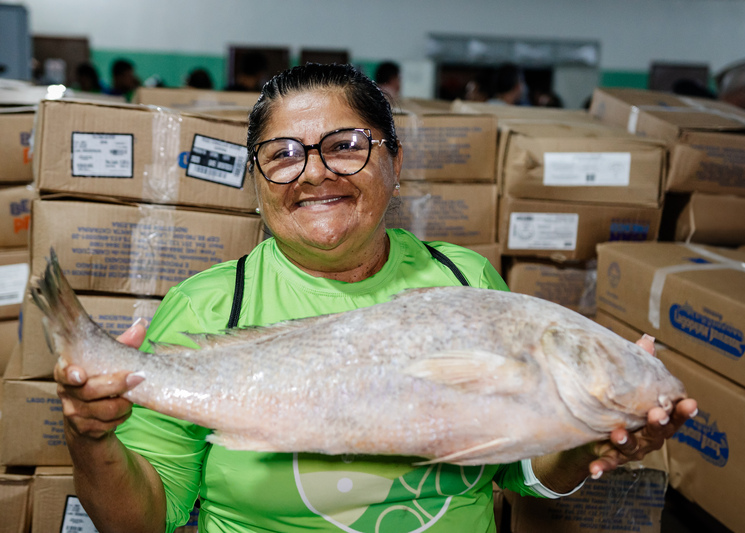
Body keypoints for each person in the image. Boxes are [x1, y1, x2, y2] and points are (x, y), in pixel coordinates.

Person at [54, 63, 697, 533]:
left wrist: (590, 441)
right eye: (283, 155)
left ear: (395, 163)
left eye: (346, 146)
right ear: (257, 180)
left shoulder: (467, 281)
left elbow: (524, 475)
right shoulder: (207, 306)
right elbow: (140, 522)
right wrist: (91, 438)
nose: (314, 171)